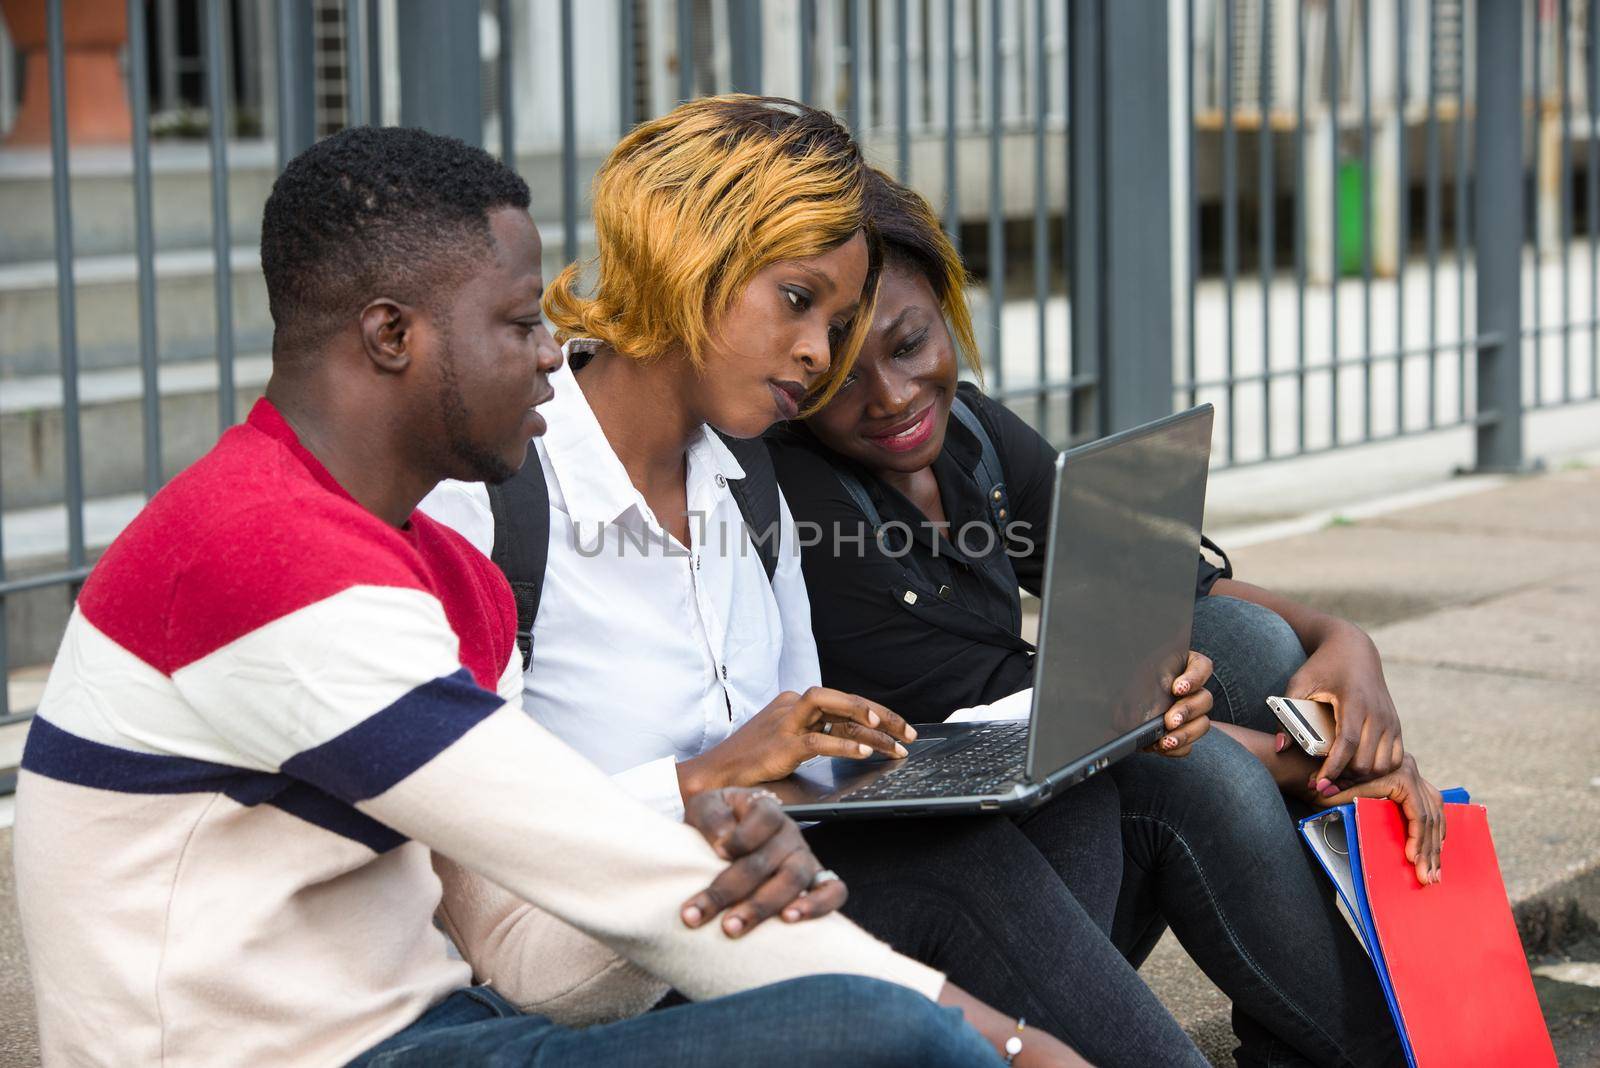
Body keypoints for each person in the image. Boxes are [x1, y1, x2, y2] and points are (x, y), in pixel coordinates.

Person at [12, 126, 1079, 1068]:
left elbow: (531, 952)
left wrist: (710, 865)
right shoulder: (256, 554)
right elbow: (594, 867)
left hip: (450, 1027)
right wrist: (1010, 1042)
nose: (546, 358)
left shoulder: (449, 571)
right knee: (882, 1036)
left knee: (864, 1009)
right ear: (393, 337)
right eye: (519, 324)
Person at [423, 94, 1221, 1067]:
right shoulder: (497, 499)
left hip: (769, 889)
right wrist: (706, 777)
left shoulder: (746, 482)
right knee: (972, 883)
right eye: (797, 302)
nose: (818, 352)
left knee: (1078, 795)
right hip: (599, 956)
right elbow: (474, 834)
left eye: (835, 320)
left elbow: (798, 762)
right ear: (690, 256)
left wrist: (950, 757)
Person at [766, 166, 1449, 1066]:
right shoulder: (808, 503)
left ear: (945, 307)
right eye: (842, 379)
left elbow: (1155, 580)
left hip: (1064, 833)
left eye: (909, 343)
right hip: (976, 904)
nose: (890, 396)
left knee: (1245, 645)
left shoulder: (968, 434)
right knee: (1203, 775)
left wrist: (1342, 640)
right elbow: (1066, 715)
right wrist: (1320, 772)